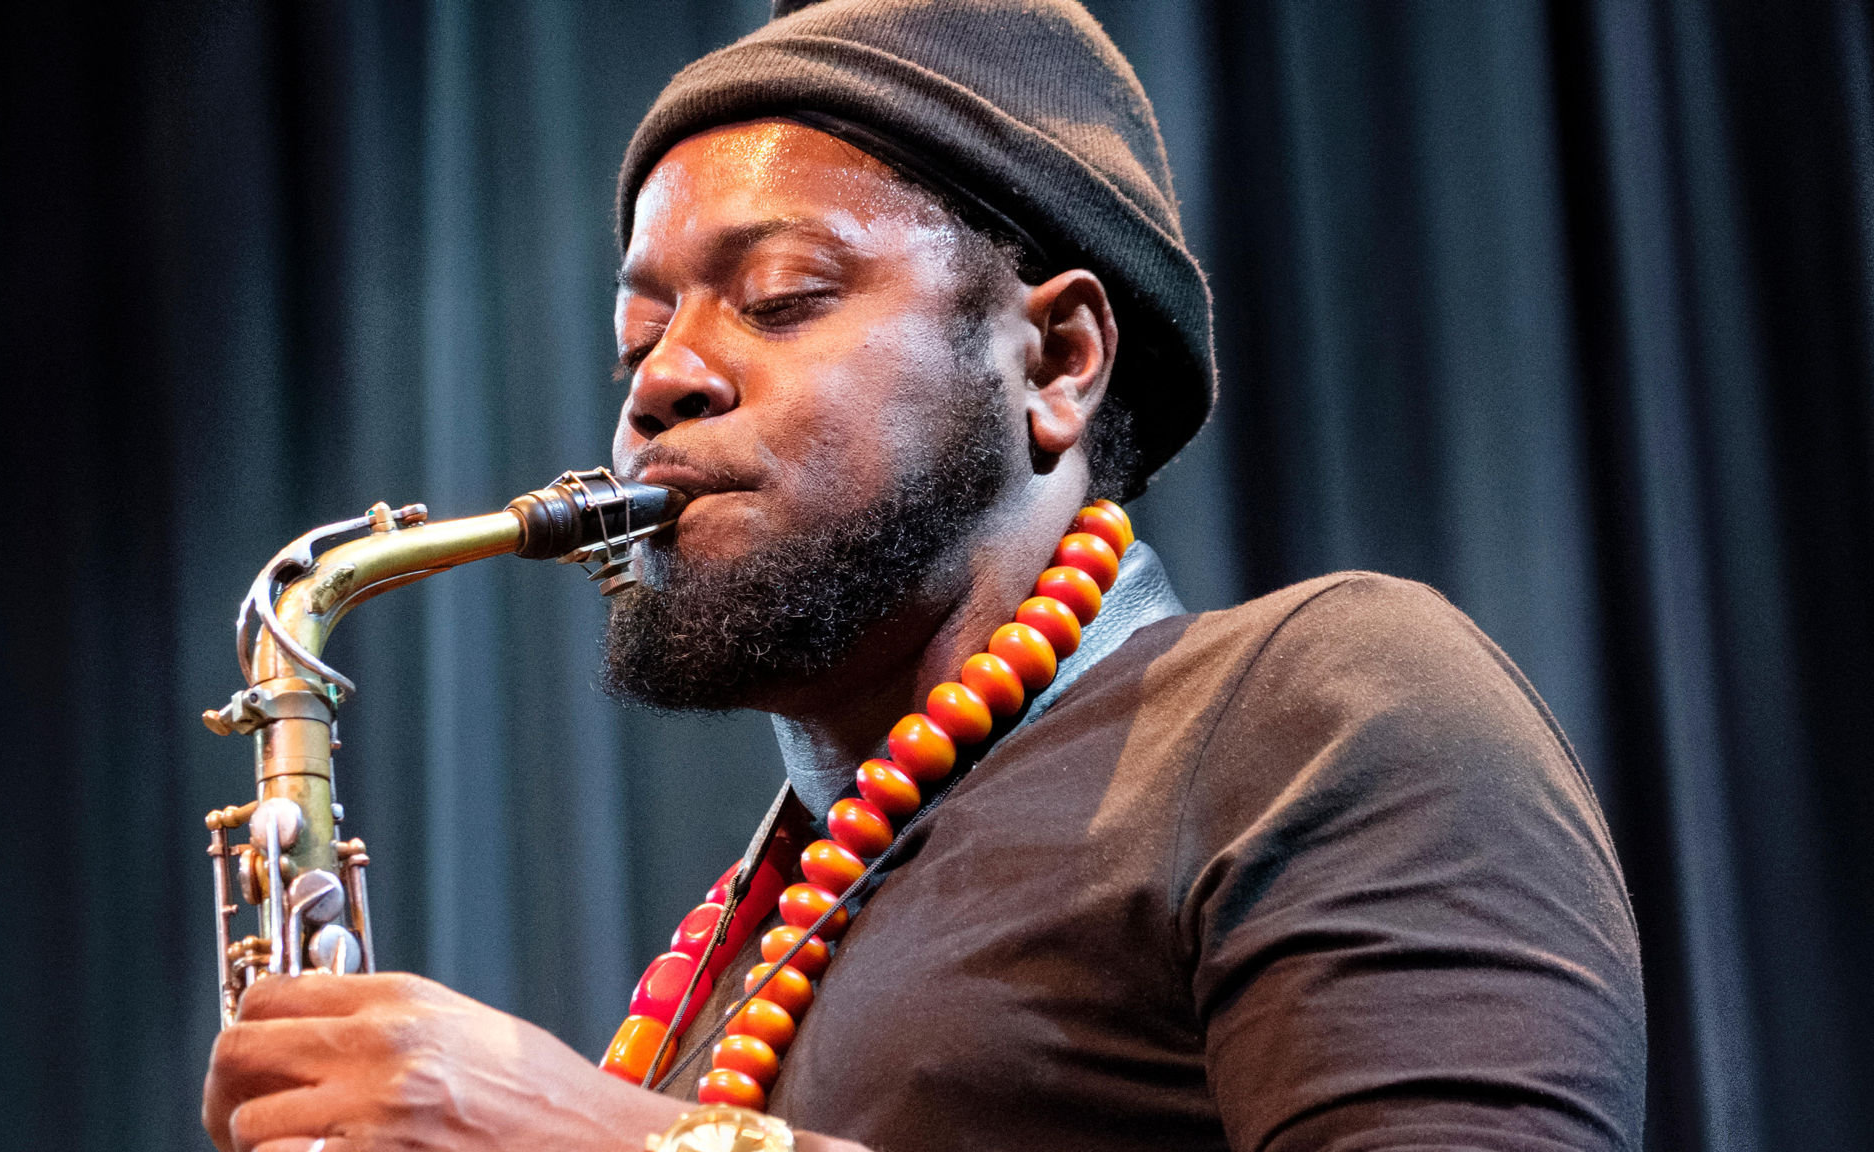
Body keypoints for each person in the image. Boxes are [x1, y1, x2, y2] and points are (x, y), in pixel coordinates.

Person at [202, 2, 1647, 1150]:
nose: (663, 383)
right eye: (637, 337)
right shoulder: (744, 948)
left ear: (1057, 361)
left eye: (780, 298)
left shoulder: (1329, 707)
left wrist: (617, 1141)